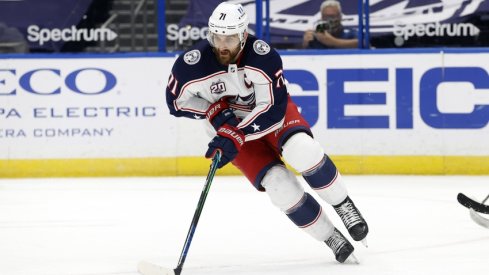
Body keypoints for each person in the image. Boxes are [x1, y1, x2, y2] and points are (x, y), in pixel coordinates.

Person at [166, 2, 369, 263]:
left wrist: (236, 132)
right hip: (229, 132)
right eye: (217, 36)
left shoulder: (262, 56)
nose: (222, 44)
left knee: (302, 151)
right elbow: (175, 103)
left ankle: (343, 204)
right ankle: (330, 236)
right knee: (278, 186)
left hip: (271, 119)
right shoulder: (190, 65)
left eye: (229, 37)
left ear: (243, 34)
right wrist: (213, 111)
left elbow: (272, 109)